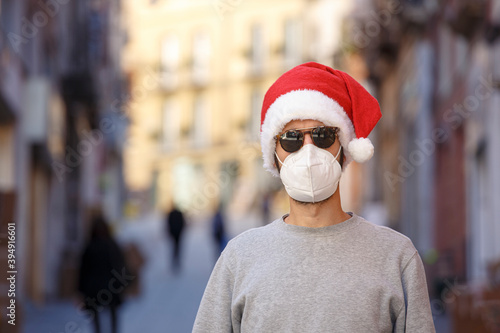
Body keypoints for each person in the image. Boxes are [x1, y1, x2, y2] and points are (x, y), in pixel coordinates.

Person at [193, 62, 436, 332]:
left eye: (323, 135)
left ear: (344, 148)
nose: (308, 152)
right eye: (291, 139)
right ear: (274, 155)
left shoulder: (397, 256)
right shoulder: (238, 258)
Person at [78, 214, 128, 333]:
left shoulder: (90, 246)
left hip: (93, 288)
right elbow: (120, 266)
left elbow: (83, 271)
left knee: (96, 316)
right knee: (112, 314)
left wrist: (80, 290)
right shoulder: (112, 245)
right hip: (110, 287)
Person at [166, 204, 186, 272]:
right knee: (177, 247)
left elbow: (168, 223)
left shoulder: (171, 214)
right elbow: (183, 223)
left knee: (174, 247)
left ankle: (175, 260)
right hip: (178, 233)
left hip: (174, 233)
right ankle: (176, 260)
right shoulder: (178, 214)